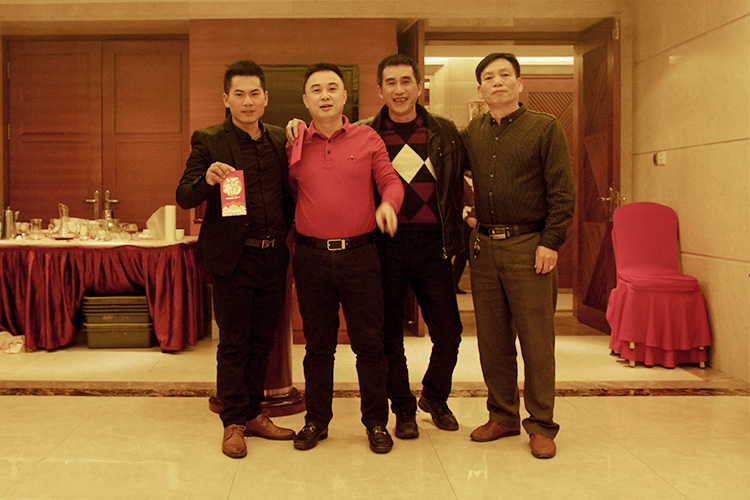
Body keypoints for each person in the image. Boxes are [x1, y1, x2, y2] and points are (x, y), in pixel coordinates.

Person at [176, 59, 296, 459]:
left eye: (254, 94)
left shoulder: (278, 138)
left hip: (273, 255)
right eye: (239, 94)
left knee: (263, 341)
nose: (248, 101)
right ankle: (233, 422)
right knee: (234, 343)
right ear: (226, 99)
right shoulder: (209, 140)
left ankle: (254, 413)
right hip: (234, 259)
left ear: (266, 98)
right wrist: (206, 178)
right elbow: (184, 195)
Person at [461, 53, 575, 459]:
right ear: (480, 89)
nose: (497, 82)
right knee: (492, 340)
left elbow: (562, 190)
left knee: (536, 341)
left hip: (530, 246)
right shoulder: (472, 133)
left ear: (519, 83)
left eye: (505, 75)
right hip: (484, 247)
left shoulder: (545, 127)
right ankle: (503, 415)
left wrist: (551, 241)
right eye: (489, 77)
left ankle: (541, 424)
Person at [288, 63, 404, 454]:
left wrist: (388, 204)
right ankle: (316, 421)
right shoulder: (293, 142)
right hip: (311, 258)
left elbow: (389, 180)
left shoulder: (368, 137)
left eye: (332, 88)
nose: (325, 95)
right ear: (306, 100)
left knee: (370, 345)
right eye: (316, 89)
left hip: (360, 256)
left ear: (344, 96)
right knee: (317, 346)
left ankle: (376, 423)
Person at [356, 54, 467, 439]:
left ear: (420, 86)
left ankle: (434, 396)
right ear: (380, 89)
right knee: (389, 334)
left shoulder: (445, 131)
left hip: (434, 244)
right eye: (391, 82)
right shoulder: (365, 133)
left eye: (406, 81)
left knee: (449, 332)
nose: (399, 89)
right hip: (385, 245)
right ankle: (402, 408)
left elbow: (465, 177)